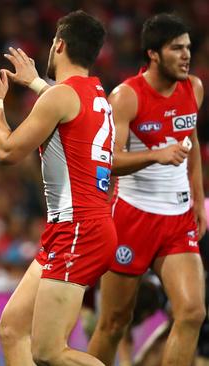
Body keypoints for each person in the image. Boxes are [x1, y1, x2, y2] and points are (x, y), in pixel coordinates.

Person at [0, 10, 113, 365]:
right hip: (77, 227)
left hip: (78, 228)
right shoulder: (97, 94)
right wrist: (37, 83)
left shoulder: (60, 97)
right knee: (11, 329)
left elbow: (6, 151)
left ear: (60, 44)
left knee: (48, 352)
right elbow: (69, 112)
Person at [87, 13, 206, 366]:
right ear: (153, 54)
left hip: (178, 218)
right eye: (176, 49)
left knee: (192, 313)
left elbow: (193, 144)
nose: (186, 55)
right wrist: (157, 154)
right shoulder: (126, 96)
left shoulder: (194, 88)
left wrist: (198, 200)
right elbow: (108, 160)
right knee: (113, 323)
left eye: (188, 47)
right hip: (132, 217)